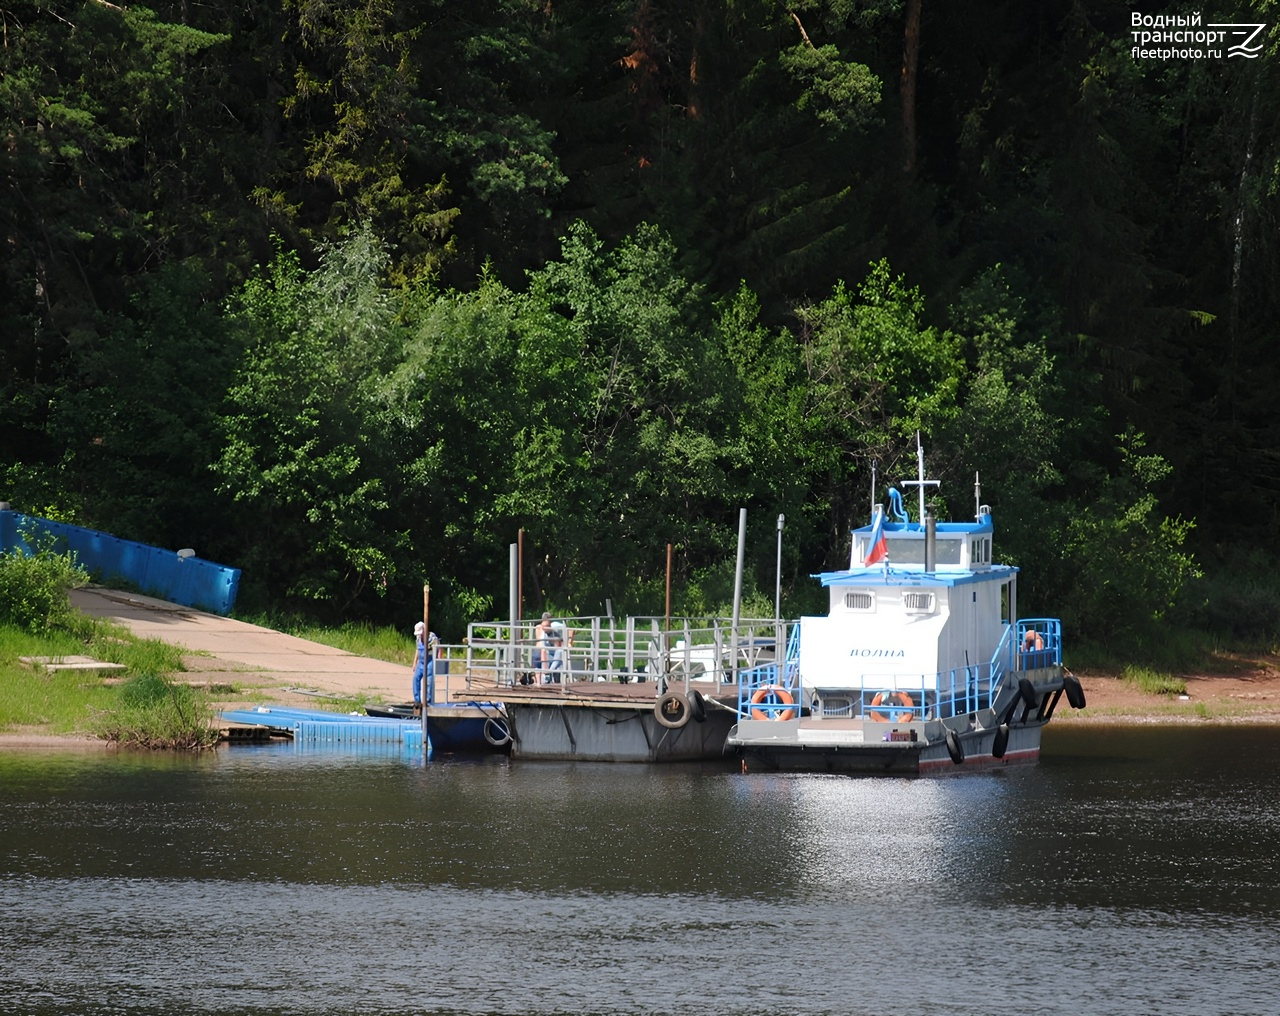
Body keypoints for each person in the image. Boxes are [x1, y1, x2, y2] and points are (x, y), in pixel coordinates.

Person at [411, 622, 437, 706]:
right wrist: (415, 662)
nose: (420, 636)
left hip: (429, 662)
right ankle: (417, 701)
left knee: (428, 681)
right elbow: (417, 650)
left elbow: (438, 649)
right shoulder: (418, 639)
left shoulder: (432, 637)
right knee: (416, 679)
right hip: (421, 663)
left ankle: (427, 701)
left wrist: (438, 661)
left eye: (421, 633)